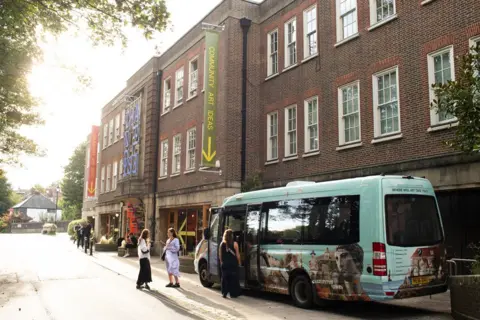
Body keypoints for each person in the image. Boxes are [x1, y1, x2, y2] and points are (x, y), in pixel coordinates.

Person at [219, 229, 241, 298]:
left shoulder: (222, 244)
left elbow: (220, 256)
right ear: (232, 236)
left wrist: (222, 263)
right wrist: (239, 262)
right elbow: (237, 255)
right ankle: (233, 294)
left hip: (225, 264)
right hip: (233, 264)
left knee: (225, 279)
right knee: (233, 279)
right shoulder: (235, 244)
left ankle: (224, 293)